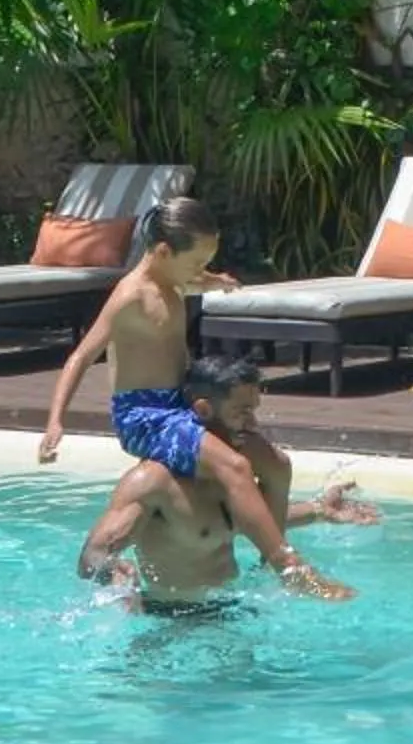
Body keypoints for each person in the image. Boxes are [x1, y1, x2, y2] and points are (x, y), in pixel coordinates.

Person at [37, 197, 314, 591]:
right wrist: (55, 422)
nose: (202, 270)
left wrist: (211, 280)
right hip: (146, 417)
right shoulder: (130, 295)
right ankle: (288, 568)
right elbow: (81, 356)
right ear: (164, 251)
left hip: (180, 406)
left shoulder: (173, 280)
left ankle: (267, 549)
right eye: (198, 261)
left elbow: (191, 280)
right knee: (234, 468)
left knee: (275, 464)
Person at [77, 358, 373, 608]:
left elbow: (236, 523)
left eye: (254, 410)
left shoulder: (234, 479)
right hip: (173, 622)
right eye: (242, 412)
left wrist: (318, 510)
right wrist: (113, 573)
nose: (253, 423)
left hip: (232, 608)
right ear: (204, 411)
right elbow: (90, 558)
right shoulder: (154, 483)